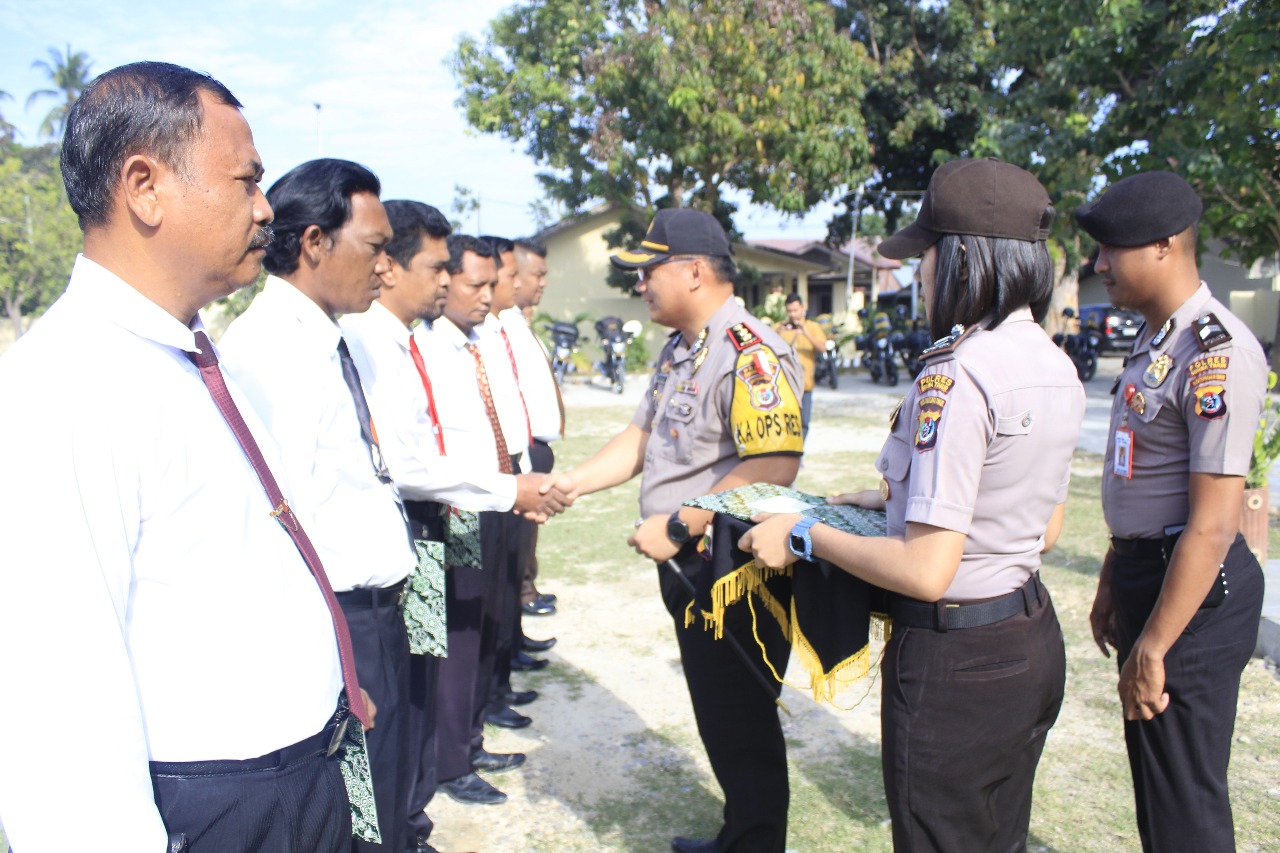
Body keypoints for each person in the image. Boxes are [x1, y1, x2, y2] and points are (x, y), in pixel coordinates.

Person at [0, 62, 356, 852]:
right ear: (145, 186)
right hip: (214, 808)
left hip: (301, 781)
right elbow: (58, 708)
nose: (266, 209)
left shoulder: (194, 360)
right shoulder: (62, 388)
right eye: (244, 182)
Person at [741, 158, 1084, 853]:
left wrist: (803, 532)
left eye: (924, 256)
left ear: (962, 258)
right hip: (1028, 639)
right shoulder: (1053, 362)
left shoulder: (959, 372)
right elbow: (1043, 527)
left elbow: (928, 569)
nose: (918, 274)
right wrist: (891, 498)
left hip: (956, 663)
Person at [544, 208, 805, 853]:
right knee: (719, 713)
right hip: (692, 563)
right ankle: (740, 834)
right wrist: (573, 482)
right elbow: (642, 436)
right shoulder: (682, 349)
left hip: (730, 566)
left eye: (649, 271)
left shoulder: (752, 352)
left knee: (740, 718)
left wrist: (683, 524)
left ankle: (754, 843)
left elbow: (775, 460)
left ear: (692, 271)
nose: (640, 285)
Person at [217, 158, 417, 853]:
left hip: (376, 611)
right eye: (374, 246)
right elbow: (274, 528)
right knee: (362, 819)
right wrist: (333, 662)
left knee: (385, 799)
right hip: (343, 626)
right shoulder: (267, 352)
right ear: (312, 243)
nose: (386, 267)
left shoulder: (330, 337)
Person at [1076, 171, 1267, 853]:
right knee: (1158, 789)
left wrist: (1154, 642)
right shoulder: (1156, 338)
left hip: (1191, 592)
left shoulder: (1215, 352)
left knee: (1185, 799)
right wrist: (1111, 573)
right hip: (1148, 575)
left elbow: (1212, 522)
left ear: (1164, 246)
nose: (1099, 264)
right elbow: (1142, 478)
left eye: (1109, 249)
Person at [415, 234, 559, 807]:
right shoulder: (424, 346)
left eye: (487, 283)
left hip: (492, 497)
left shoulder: (478, 340)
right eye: (473, 283)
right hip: (454, 509)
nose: (484, 293)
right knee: (454, 634)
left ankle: (467, 743)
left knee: (483, 621)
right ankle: (449, 760)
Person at [511, 237, 561, 617]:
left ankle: (526, 591)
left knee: (527, 537)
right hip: (518, 447)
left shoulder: (520, 324)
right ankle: (523, 594)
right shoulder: (501, 328)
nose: (542, 283)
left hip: (536, 445)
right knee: (516, 539)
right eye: (536, 275)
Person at [777, 292, 828, 436]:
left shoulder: (812, 327)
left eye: (795, 310)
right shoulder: (781, 328)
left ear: (803, 308)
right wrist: (776, 333)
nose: (792, 314)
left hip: (805, 383)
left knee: (804, 423)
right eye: (789, 311)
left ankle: (799, 455)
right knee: (785, 421)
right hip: (784, 383)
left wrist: (805, 332)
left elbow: (822, 347)